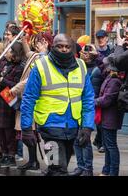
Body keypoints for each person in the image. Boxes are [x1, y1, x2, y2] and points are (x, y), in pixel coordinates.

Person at [21, 34, 95, 176]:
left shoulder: (81, 66)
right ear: (52, 47)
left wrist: (87, 126)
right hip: (50, 128)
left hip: (72, 127)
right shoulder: (41, 66)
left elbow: (88, 98)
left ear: (72, 48)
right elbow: (28, 98)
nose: (64, 49)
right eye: (59, 46)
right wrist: (26, 128)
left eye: (67, 47)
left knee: (58, 168)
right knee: (57, 169)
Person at [10, 32, 52, 171]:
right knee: (26, 132)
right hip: (27, 99)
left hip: (36, 101)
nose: (37, 44)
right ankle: (33, 160)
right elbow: (28, 53)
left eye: (40, 41)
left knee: (35, 134)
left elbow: (31, 79)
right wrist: (24, 40)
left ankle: (44, 163)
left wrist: (16, 88)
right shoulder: (36, 55)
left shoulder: (45, 58)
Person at [0, 41, 25, 168]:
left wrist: (3, 80)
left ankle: (11, 155)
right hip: (1, 100)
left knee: (9, 130)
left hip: (11, 101)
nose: (8, 53)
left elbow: (16, 85)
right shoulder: (6, 64)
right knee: (0, 129)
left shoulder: (20, 67)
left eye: (11, 51)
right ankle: (4, 154)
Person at [70, 44, 99, 176]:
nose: (84, 54)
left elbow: (91, 94)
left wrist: (97, 55)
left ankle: (88, 168)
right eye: (82, 52)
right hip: (75, 108)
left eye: (87, 52)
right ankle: (80, 166)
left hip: (86, 108)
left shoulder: (96, 68)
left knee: (85, 140)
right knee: (77, 140)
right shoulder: (77, 66)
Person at [96, 56, 123, 176]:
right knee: (107, 146)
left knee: (111, 146)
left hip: (110, 118)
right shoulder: (109, 77)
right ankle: (106, 170)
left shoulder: (115, 81)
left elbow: (106, 100)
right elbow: (99, 64)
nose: (104, 67)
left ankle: (113, 172)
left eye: (106, 65)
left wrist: (93, 101)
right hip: (106, 118)